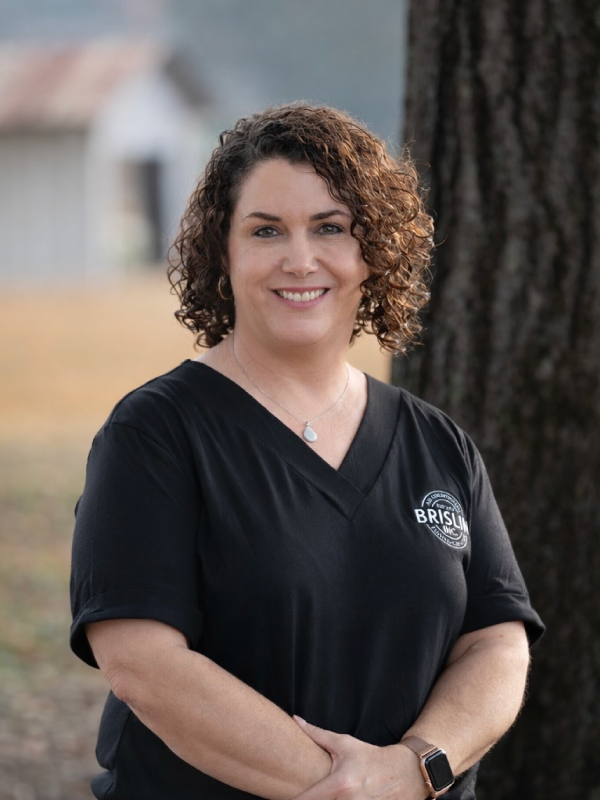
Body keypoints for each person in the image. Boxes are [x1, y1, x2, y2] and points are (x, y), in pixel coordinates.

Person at [69, 102, 544, 800]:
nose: (301, 258)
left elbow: (496, 643)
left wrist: (416, 768)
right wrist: (347, 789)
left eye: (331, 228)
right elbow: (143, 664)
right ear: (222, 256)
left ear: (373, 252)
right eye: (266, 230)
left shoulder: (436, 442)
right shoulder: (155, 435)